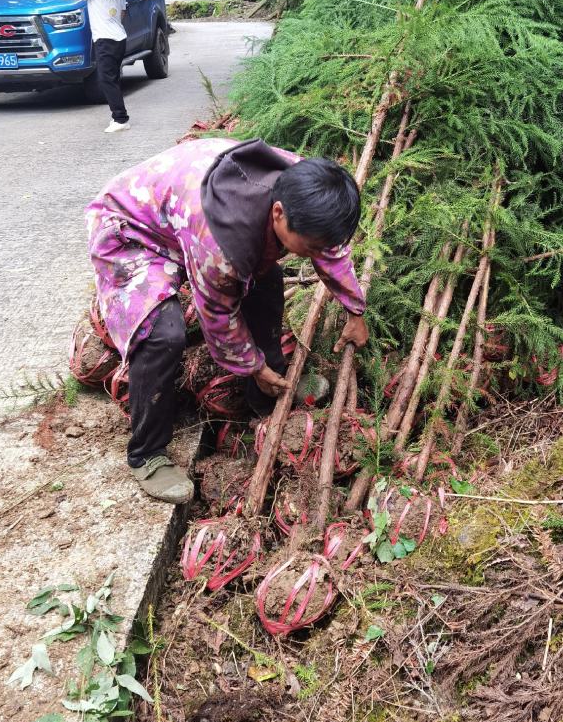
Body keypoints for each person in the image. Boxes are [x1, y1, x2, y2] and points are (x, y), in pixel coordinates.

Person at [86, 137, 369, 504]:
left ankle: (267, 394)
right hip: (131, 228)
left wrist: (354, 309)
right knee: (162, 333)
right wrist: (252, 365)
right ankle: (147, 453)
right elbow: (218, 316)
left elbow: (330, 247)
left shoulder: (308, 186)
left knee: (266, 284)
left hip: (181, 209)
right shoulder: (221, 248)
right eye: (311, 248)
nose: (318, 254)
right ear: (279, 214)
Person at [74, 0, 129, 134]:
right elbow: (122, 11)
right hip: (119, 36)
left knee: (107, 79)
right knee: (112, 78)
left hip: (105, 38)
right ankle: (119, 116)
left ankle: (120, 118)